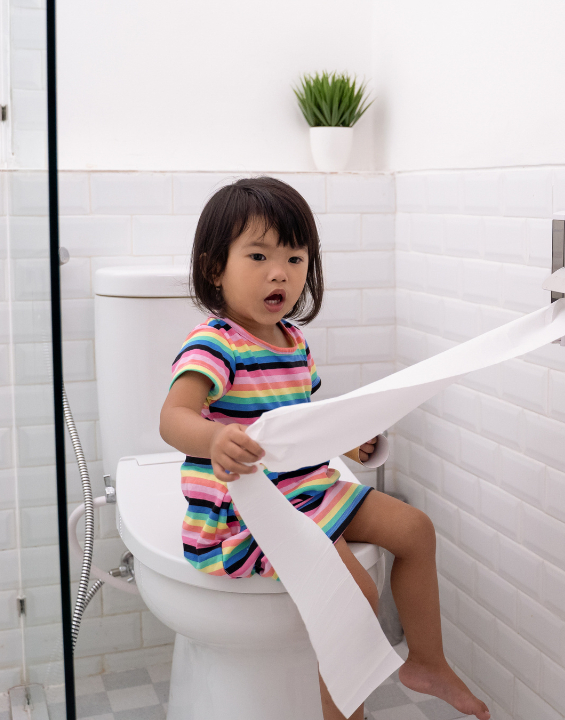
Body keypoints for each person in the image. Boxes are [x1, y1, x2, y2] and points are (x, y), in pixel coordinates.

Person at [159, 177, 491, 720]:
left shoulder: (292, 341)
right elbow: (172, 418)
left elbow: (309, 424)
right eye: (259, 255)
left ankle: (427, 661)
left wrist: (354, 443)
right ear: (214, 266)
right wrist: (214, 437)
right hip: (250, 511)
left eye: (294, 258)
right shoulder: (214, 344)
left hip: (306, 488)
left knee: (415, 530)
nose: (280, 273)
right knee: (354, 594)